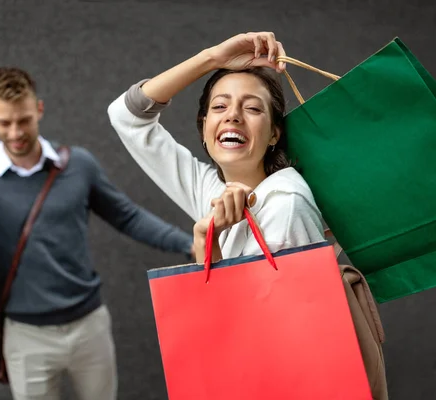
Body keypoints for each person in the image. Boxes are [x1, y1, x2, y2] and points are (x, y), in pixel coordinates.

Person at [0, 67, 194, 400]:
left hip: (90, 326)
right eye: (4, 122)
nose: (15, 132)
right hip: (26, 336)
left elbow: (128, 217)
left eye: (24, 120)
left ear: (39, 109)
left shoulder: (78, 165)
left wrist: (188, 244)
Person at [107, 31, 325, 263]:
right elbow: (126, 116)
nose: (233, 115)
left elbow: (248, 300)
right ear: (204, 127)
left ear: (274, 134)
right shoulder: (212, 191)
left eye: (252, 108)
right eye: (220, 106)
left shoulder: (285, 205)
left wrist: (206, 241)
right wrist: (211, 58)